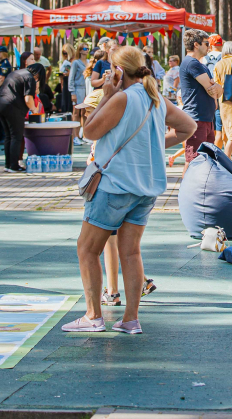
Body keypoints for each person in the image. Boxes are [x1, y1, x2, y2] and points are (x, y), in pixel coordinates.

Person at [62, 46, 196, 334]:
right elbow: (188, 127)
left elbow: (90, 132)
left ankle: (93, 315)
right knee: (131, 252)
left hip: (115, 186)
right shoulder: (154, 97)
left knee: (87, 249)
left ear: (119, 71)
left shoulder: (121, 98)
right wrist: (151, 148)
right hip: (146, 189)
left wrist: (106, 96)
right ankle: (130, 319)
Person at [179, 30, 221, 168]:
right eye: (206, 43)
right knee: (193, 162)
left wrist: (216, 88)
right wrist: (216, 88)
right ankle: (186, 190)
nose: (209, 46)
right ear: (196, 45)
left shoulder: (201, 65)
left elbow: (217, 91)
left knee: (206, 163)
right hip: (196, 118)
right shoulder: (191, 63)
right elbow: (210, 88)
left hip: (206, 119)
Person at [0, 64, 40, 172]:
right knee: (16, 136)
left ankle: (8, 165)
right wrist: (35, 110)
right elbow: (28, 99)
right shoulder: (29, 77)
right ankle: (14, 166)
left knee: (8, 136)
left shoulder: (16, 73)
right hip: (12, 106)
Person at [70, 46, 89, 125]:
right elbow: (71, 77)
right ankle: (75, 135)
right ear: (80, 50)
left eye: (88, 48)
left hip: (87, 89)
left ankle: (84, 134)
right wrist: (72, 92)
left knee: (85, 113)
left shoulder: (89, 62)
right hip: (78, 88)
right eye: (85, 48)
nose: (87, 50)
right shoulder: (76, 62)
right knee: (76, 112)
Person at [58, 44, 75, 115]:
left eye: (66, 53)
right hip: (65, 81)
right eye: (63, 53)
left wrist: (70, 73)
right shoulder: (65, 61)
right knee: (65, 99)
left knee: (70, 101)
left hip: (72, 82)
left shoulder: (75, 60)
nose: (65, 55)